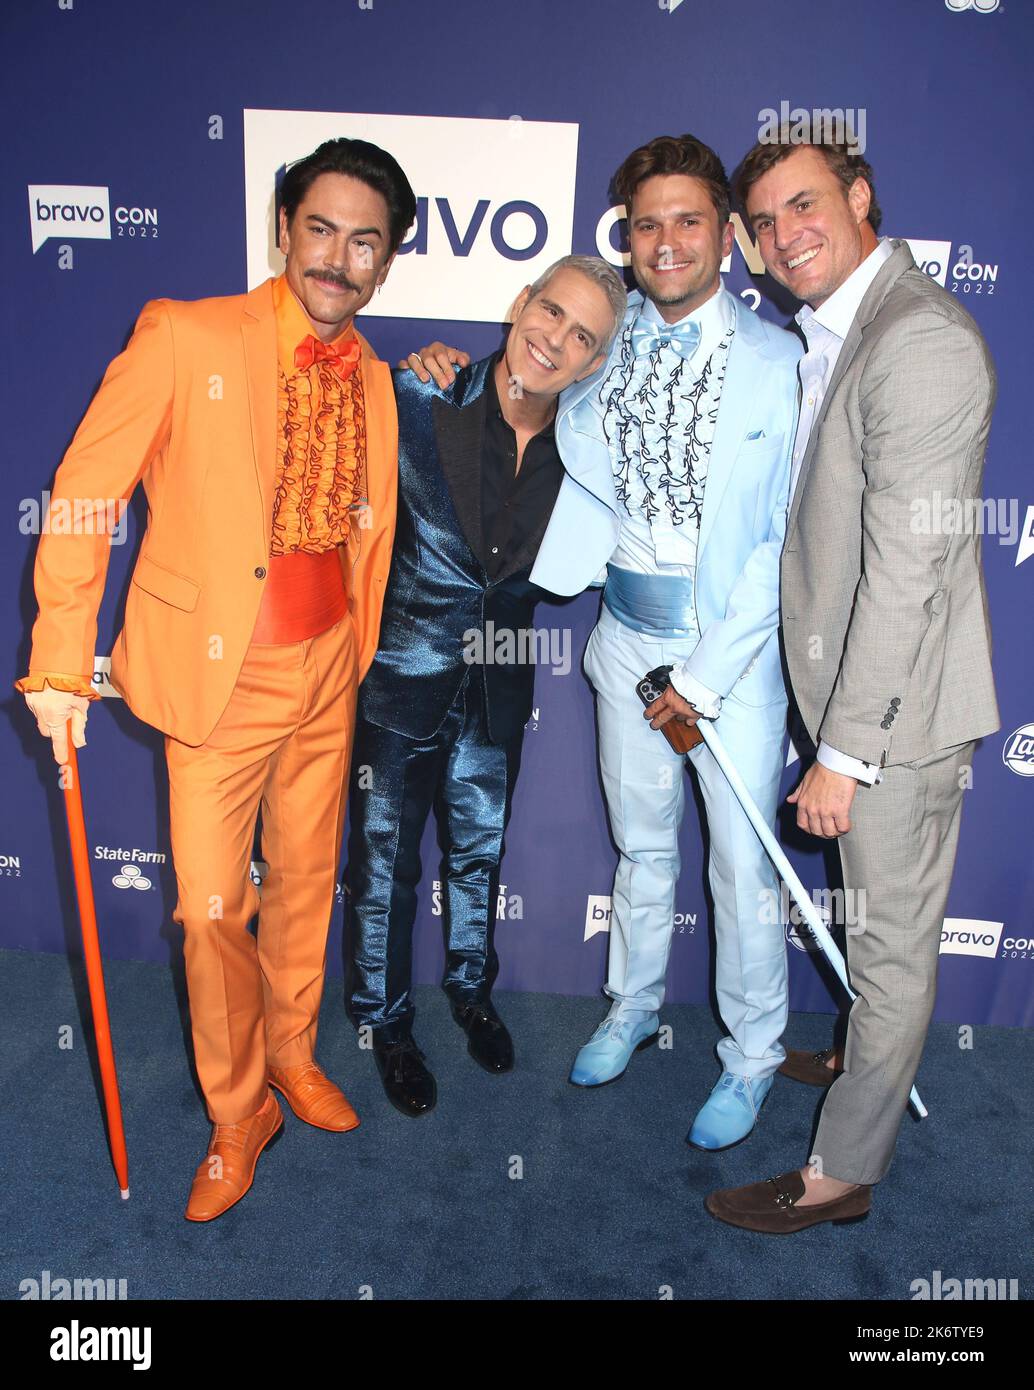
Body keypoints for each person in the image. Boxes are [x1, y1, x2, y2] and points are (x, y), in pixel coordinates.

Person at [18, 138, 413, 1220]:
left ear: (384, 264)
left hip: (331, 665)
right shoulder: (183, 331)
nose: (339, 256)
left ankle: (291, 1051)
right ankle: (237, 1109)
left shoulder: (376, 378)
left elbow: (365, 537)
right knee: (206, 907)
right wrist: (58, 654)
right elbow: (88, 492)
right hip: (218, 681)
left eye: (365, 241)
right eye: (322, 228)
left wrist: (356, 650)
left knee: (302, 885)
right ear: (283, 228)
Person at [405, 134, 801, 1151]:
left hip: (731, 655)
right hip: (620, 639)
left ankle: (751, 1056)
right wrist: (444, 369)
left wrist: (705, 681)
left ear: (726, 236)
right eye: (645, 224)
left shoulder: (780, 363)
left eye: (686, 221)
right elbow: (522, 386)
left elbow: (775, 544)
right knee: (641, 848)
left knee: (742, 874)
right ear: (624, 239)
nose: (664, 241)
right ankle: (630, 1006)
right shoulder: (603, 341)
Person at [705, 135, 998, 1233]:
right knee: (868, 924)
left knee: (885, 952)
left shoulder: (916, 341)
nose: (785, 235)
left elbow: (904, 576)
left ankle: (840, 1172)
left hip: (895, 719)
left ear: (859, 198)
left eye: (805, 205)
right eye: (766, 220)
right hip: (854, 702)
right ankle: (860, 1055)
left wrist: (843, 752)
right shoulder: (840, 328)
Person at [347, 256, 626, 1116]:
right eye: (551, 313)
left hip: (499, 682)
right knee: (386, 865)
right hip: (401, 679)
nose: (556, 340)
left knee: (478, 855)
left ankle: (470, 992)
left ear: (595, 360)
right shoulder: (418, 394)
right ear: (519, 305)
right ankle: (387, 1024)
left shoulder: (585, 449)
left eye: (583, 336)